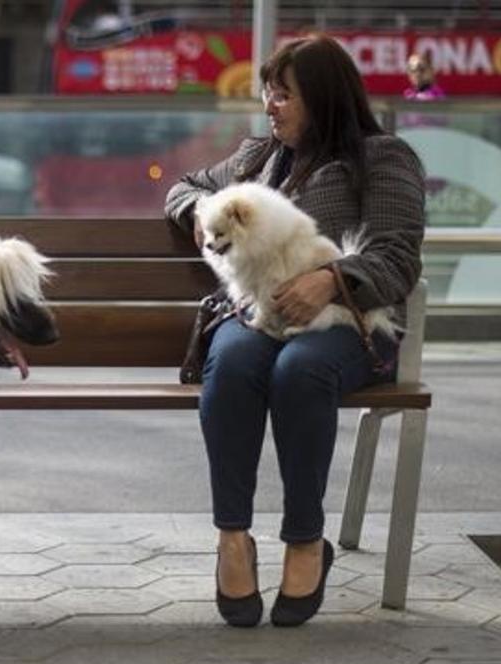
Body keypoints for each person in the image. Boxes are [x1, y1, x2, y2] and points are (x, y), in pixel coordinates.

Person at [164, 35, 425, 628]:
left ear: (324, 97)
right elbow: (183, 189)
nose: (269, 105)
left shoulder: (383, 157)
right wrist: (206, 219)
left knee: (300, 370)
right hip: (260, 316)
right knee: (229, 366)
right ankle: (233, 537)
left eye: (284, 94)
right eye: (268, 91)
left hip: (349, 324)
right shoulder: (257, 158)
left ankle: (306, 538)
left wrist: (333, 279)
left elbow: (398, 256)